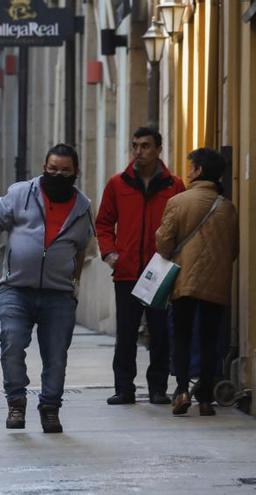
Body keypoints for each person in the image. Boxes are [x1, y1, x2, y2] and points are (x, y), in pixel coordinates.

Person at [0, 144, 93, 433]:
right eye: (52, 169)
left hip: (59, 295)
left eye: (65, 171)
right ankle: (16, 403)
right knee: (12, 343)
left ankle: (50, 408)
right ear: (44, 168)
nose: (58, 174)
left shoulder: (83, 208)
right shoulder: (21, 193)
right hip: (16, 289)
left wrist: (75, 282)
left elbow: (81, 249)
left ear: (76, 172)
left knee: (56, 354)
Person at [95, 127, 186, 406]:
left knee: (159, 332)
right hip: (126, 271)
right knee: (126, 332)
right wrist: (110, 253)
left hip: (159, 270)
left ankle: (157, 388)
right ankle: (124, 388)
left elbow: (182, 226)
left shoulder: (174, 185)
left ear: (158, 149)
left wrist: (174, 259)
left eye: (145, 146)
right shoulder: (118, 184)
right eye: (135, 145)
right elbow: (103, 222)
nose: (138, 151)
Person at [155, 147, 238, 416]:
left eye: (191, 167)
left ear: (199, 170)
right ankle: (204, 398)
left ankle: (181, 390)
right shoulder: (227, 207)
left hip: (184, 280)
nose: (188, 171)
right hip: (216, 282)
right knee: (210, 337)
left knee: (181, 335)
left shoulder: (179, 202)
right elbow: (233, 249)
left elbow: (164, 243)